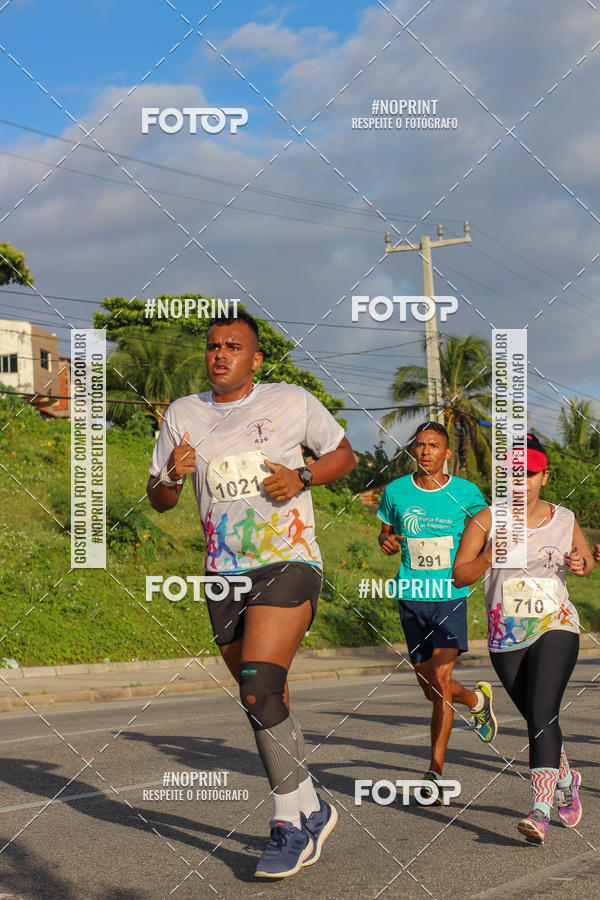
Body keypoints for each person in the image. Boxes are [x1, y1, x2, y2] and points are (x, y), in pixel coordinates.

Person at [147, 310, 356, 877]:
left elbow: (345, 454)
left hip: (288, 561)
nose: (220, 354)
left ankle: (290, 824)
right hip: (224, 574)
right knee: (258, 697)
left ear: (255, 358)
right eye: (213, 346)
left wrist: (304, 477)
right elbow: (160, 499)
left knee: (261, 685)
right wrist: (169, 474)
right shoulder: (182, 414)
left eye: (233, 346)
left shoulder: (290, 400)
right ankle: (312, 801)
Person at [453, 433, 594, 844]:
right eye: (514, 474)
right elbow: (460, 575)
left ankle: (540, 810)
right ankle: (567, 777)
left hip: (556, 623)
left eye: (530, 474)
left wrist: (583, 563)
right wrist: (486, 557)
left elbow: (582, 562)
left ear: (544, 476)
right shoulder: (486, 520)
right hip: (505, 635)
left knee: (543, 711)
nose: (522, 481)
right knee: (536, 717)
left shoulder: (564, 519)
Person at [377, 421, 497, 805]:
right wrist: (388, 541)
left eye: (434, 445)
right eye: (420, 445)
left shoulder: (467, 492)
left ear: (447, 453)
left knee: (442, 681)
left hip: (449, 594)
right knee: (431, 689)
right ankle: (477, 701)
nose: (426, 451)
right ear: (414, 450)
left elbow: (489, 529)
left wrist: (480, 560)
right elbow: (385, 530)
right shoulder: (396, 491)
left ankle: (435, 772)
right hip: (411, 595)